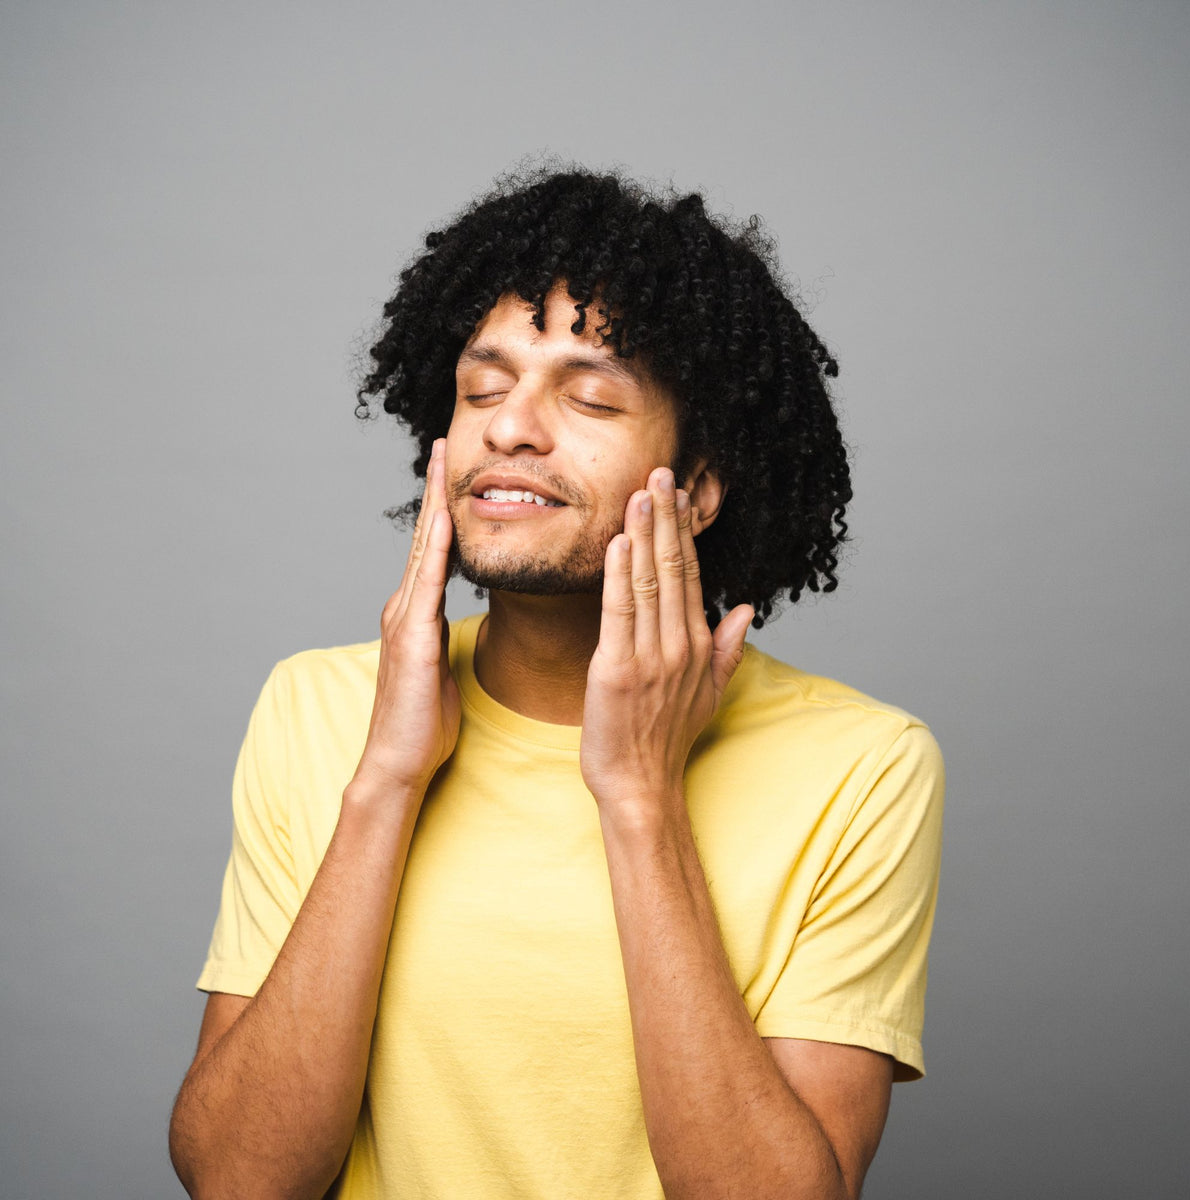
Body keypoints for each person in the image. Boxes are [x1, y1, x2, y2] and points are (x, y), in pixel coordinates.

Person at [169, 166, 944, 1200]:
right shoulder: (316, 712)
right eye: (482, 388)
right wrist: (386, 784)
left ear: (701, 487)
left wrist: (641, 799)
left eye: (588, 397)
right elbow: (236, 1182)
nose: (509, 428)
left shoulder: (863, 768)